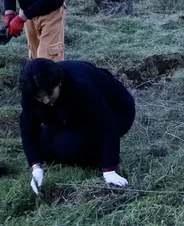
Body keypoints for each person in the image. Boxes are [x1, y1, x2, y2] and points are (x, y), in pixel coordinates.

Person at [18, 58, 135, 195]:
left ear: (59, 82)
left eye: (49, 94)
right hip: (72, 113)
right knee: (44, 148)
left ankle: (95, 154)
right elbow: (28, 128)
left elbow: (106, 125)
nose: (46, 100)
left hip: (116, 110)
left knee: (67, 147)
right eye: (40, 98)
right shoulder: (31, 92)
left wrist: (109, 169)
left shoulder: (81, 85)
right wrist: (36, 167)